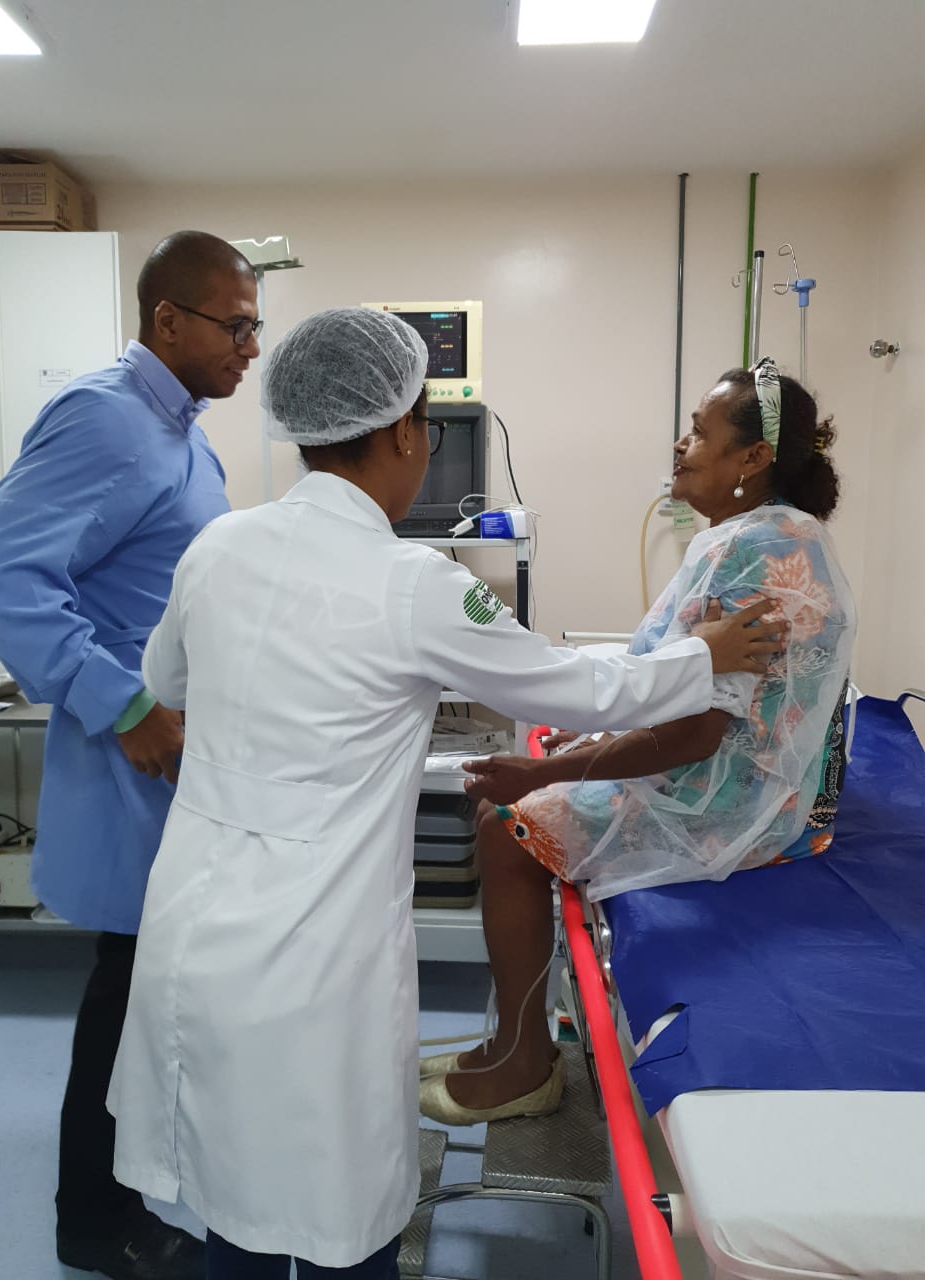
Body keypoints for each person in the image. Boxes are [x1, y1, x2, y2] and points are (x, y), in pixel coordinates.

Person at [106, 307, 784, 1280]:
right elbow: (578, 687)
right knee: (344, 1217)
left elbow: (164, 684)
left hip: (194, 933)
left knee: (233, 1206)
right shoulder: (412, 582)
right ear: (402, 432)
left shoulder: (218, 546)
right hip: (313, 957)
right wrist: (704, 653)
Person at [418, 357, 856, 1126]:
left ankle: (525, 1063)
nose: (682, 445)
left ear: (753, 458)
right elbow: (697, 684)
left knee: (503, 828)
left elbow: (693, 734)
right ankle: (512, 1037)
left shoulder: (746, 552)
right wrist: (592, 731)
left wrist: (539, 772)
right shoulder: (778, 532)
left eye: (700, 433)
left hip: (726, 807)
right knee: (535, 781)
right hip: (763, 787)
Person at [0, 230, 262, 1278]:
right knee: (128, 989)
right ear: (167, 319)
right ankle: (94, 1222)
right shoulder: (106, 417)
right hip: (133, 753)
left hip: (179, 758)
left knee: (154, 990)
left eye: (256, 327)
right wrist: (123, 702)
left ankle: (130, 1190)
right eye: (235, 325)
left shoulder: (181, 434)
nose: (250, 347)